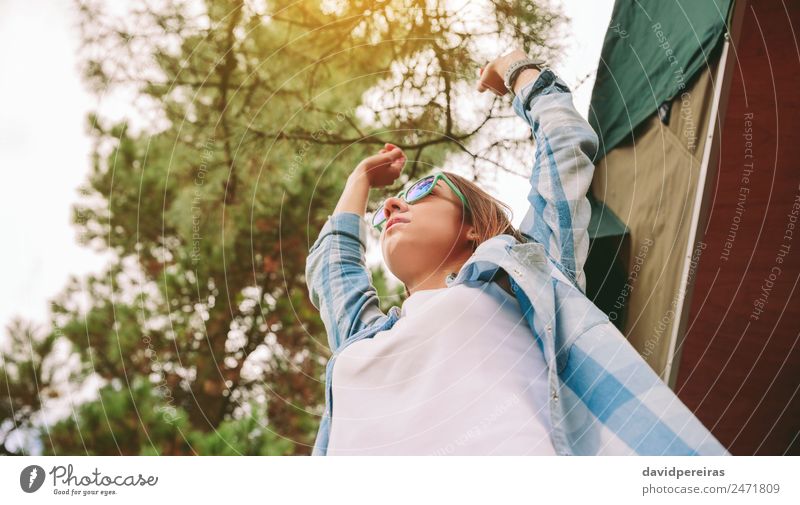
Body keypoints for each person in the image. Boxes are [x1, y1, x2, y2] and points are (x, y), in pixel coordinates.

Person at [305, 49, 731, 456]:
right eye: (383, 212)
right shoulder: (362, 339)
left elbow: (563, 146)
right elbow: (333, 269)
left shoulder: (523, 274)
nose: (394, 206)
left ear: (473, 224)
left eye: (421, 190)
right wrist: (359, 179)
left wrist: (516, 69)